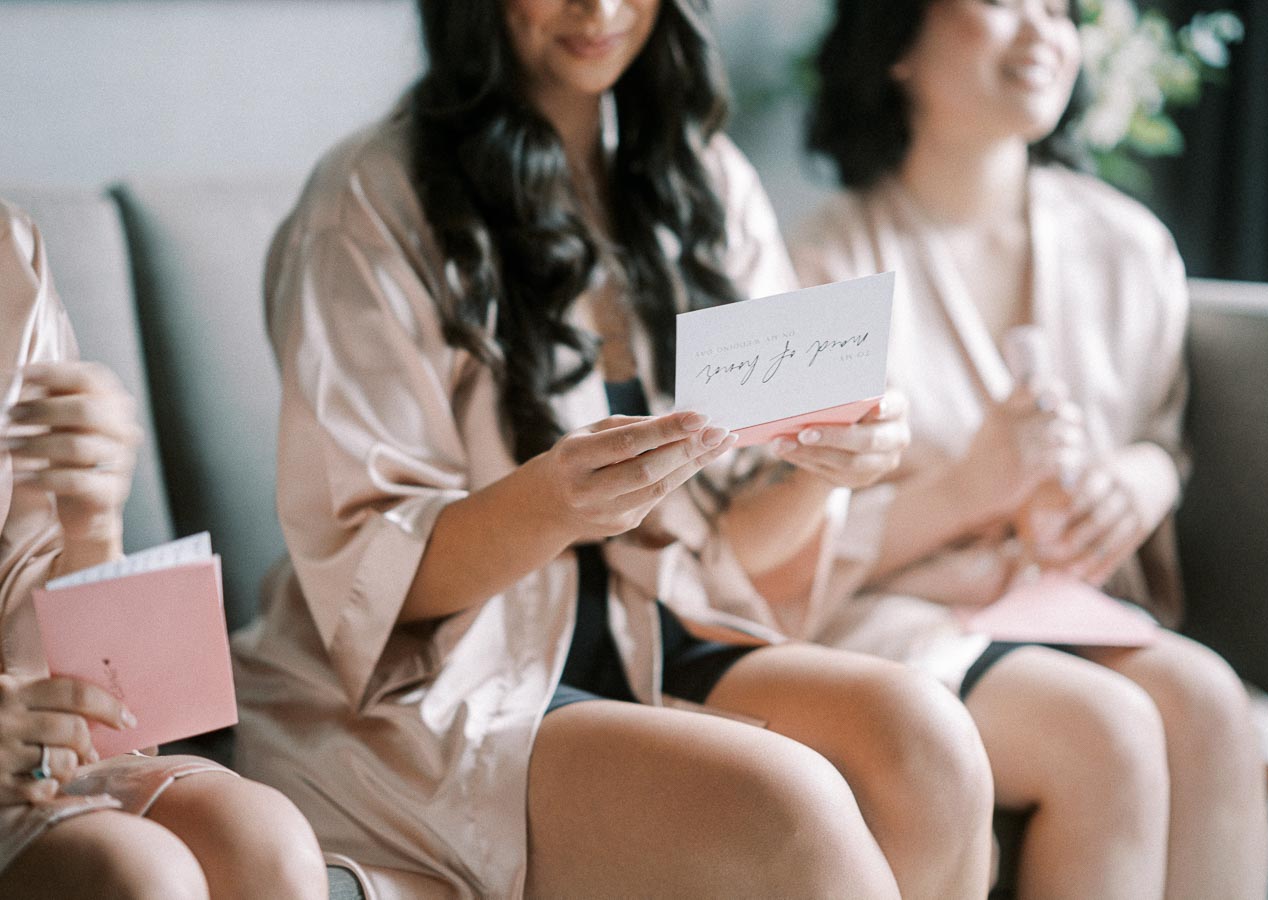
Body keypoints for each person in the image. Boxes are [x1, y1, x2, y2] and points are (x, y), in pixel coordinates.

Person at [229, 1, 997, 897]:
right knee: (792, 805)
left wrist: (826, 465)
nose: (598, 9)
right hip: (448, 680)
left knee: (929, 740)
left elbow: (736, 551)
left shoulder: (699, 177)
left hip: (657, 634)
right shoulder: (371, 200)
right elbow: (372, 580)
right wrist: (554, 502)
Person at [767, 1, 1268, 897]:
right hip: (897, 615)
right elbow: (773, 565)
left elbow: (1164, 435)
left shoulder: (1127, 245)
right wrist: (969, 489)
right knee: (1105, 730)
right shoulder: (820, 268)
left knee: (1211, 707)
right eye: (1003, 1)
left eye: (1063, 9)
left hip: (1068, 601)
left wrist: (1142, 480)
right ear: (897, 47)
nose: (1042, 30)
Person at [0, 199, 328, 899]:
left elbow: (39, 640)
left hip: (16, 744)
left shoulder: (8, 251)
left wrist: (90, 519)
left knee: (269, 843)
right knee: (142, 877)